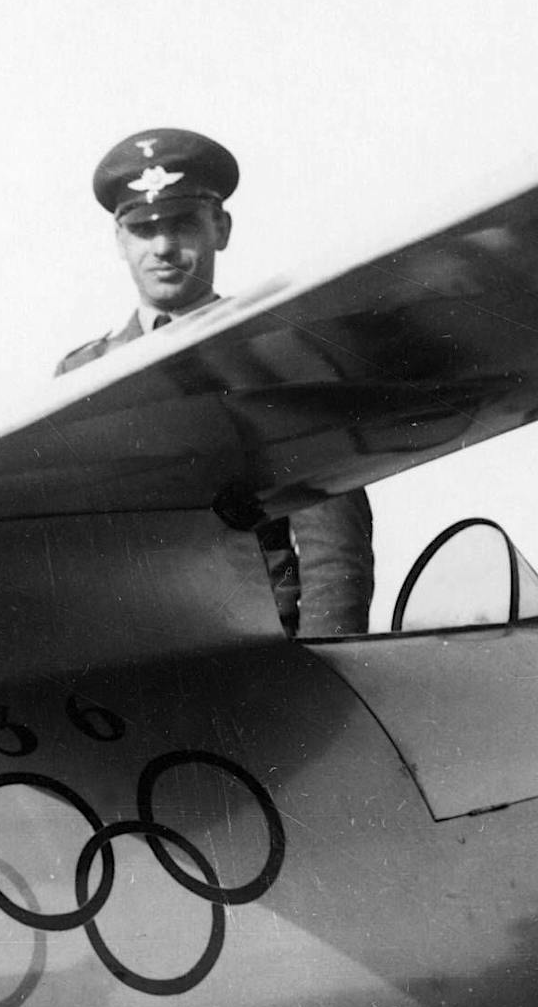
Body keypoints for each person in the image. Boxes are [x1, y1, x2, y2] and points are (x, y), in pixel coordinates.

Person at [56, 127, 374, 637]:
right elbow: (67, 549)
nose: (163, 247)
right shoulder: (84, 376)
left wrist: (321, 664)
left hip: (257, 653)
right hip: (128, 654)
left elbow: (333, 547)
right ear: (119, 240)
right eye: (143, 229)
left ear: (220, 228)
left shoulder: (281, 357)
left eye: (183, 224)